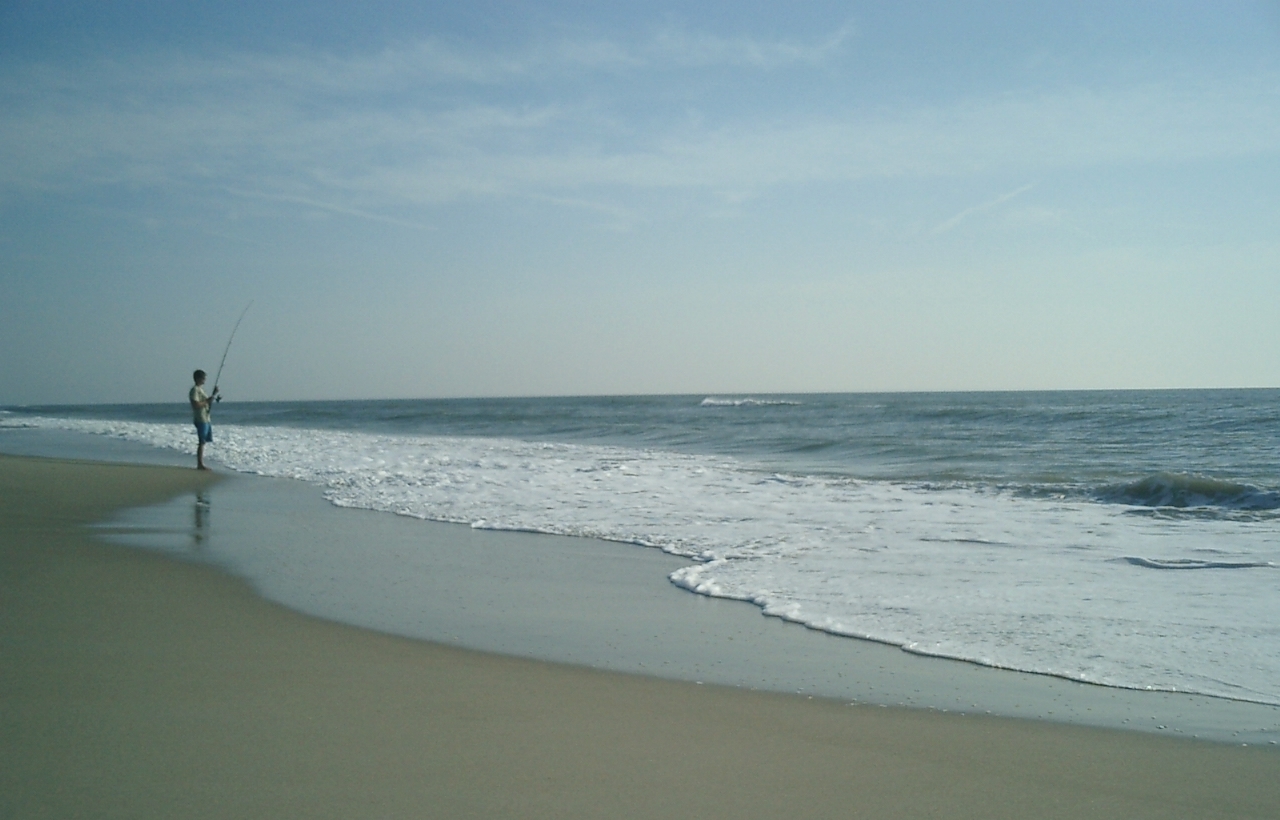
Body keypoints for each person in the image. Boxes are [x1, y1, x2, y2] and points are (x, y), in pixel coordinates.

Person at [189, 370, 219, 470]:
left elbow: (207, 403)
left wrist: (214, 395)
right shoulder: (195, 390)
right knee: (201, 441)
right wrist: (207, 401)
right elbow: (196, 404)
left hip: (206, 418)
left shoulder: (201, 390)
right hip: (200, 418)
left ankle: (200, 463)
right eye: (203, 378)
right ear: (198, 378)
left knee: (204, 441)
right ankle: (200, 464)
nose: (205, 380)